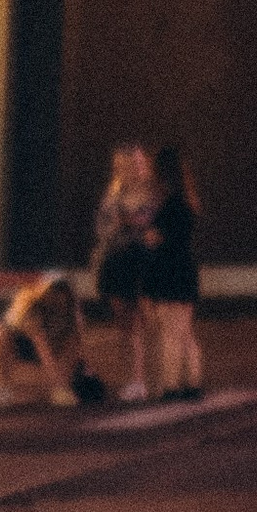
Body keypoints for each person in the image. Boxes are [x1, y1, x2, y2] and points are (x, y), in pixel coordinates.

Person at [92, 140, 157, 403]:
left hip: (141, 260)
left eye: (138, 162)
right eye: (125, 163)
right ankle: (131, 378)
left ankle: (147, 378)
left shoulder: (152, 191)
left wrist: (128, 220)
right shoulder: (114, 190)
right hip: (116, 260)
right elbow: (103, 226)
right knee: (124, 325)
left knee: (145, 321)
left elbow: (152, 223)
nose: (134, 167)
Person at [139, 146, 203, 398]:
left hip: (167, 271)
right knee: (185, 332)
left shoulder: (167, 206)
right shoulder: (187, 202)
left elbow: (153, 239)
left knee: (170, 333)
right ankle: (192, 383)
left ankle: (171, 385)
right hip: (185, 269)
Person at [0, 272, 107, 409]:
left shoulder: (72, 309)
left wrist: (69, 377)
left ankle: (64, 383)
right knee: (1, 334)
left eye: (63, 293)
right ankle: (6, 386)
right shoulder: (29, 306)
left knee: (81, 383)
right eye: (55, 293)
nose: (59, 298)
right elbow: (42, 347)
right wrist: (60, 388)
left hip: (55, 345)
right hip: (22, 346)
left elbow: (76, 344)